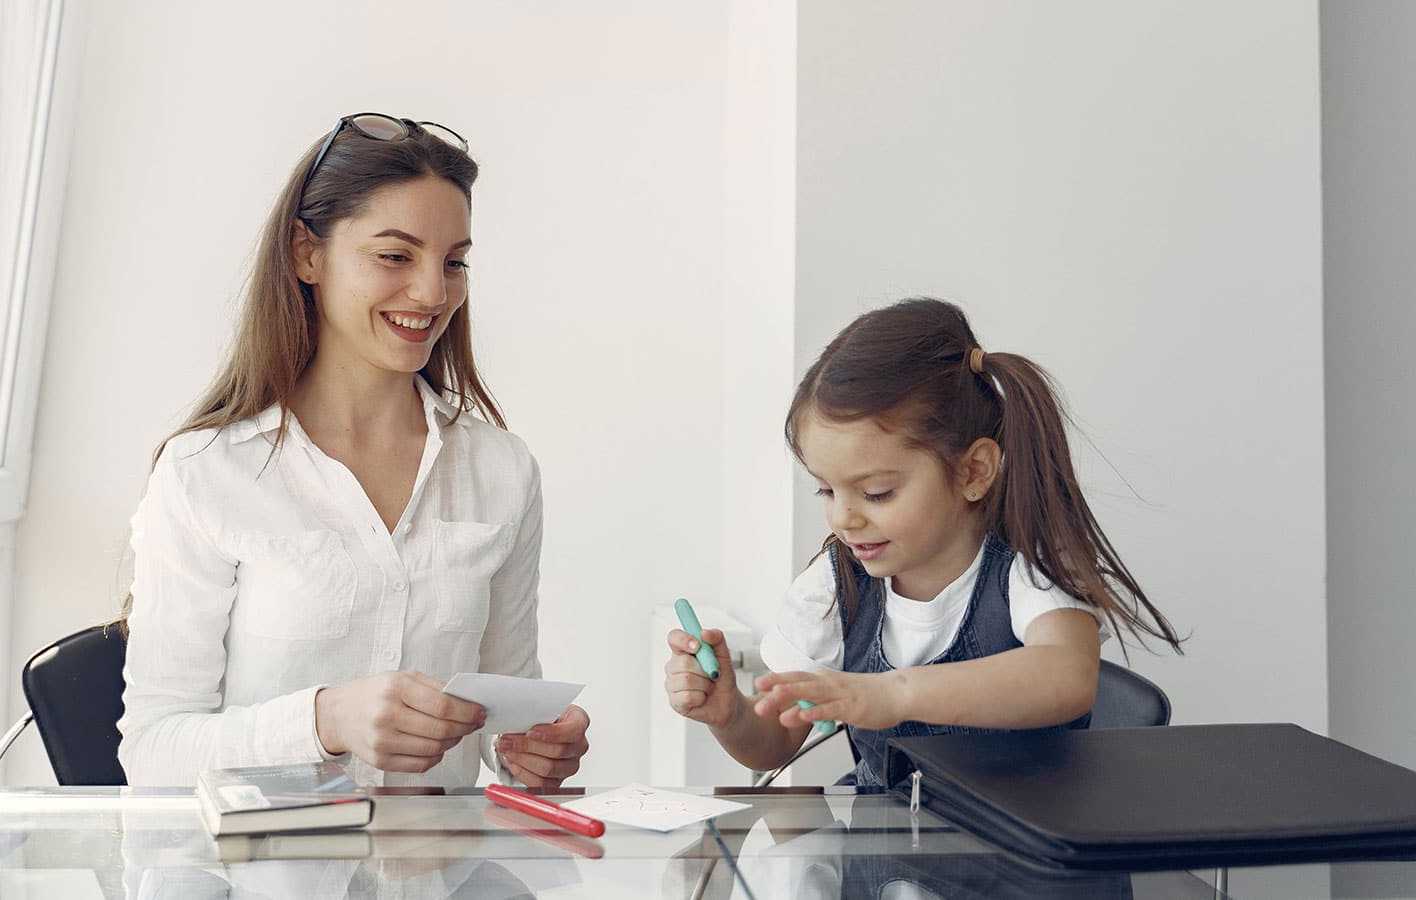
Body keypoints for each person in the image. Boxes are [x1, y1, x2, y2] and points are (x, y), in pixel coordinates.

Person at [117, 113, 590, 790]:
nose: (433, 292)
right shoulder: (205, 472)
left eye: (453, 261)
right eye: (395, 256)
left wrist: (528, 749)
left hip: (437, 880)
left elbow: (504, 713)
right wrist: (325, 720)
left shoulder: (503, 470)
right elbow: (153, 751)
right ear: (307, 255)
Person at [663, 297, 1181, 786]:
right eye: (827, 489)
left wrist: (894, 693)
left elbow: (1065, 675)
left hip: (1023, 868)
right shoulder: (835, 585)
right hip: (885, 863)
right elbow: (774, 743)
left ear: (974, 471)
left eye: (876, 492)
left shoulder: (1029, 565)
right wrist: (730, 714)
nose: (844, 517)